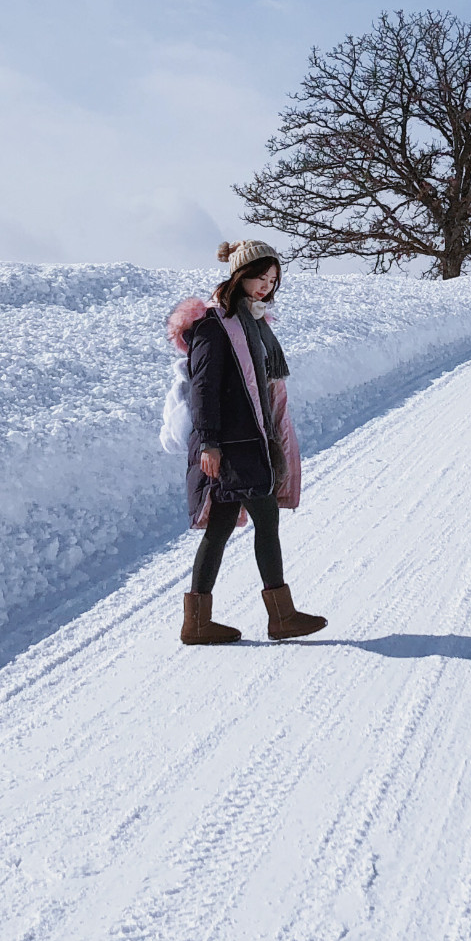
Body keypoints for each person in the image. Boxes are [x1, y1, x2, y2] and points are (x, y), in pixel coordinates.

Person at [167, 240, 327, 644]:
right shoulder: (215, 325)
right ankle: (282, 616)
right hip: (231, 443)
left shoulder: (254, 324)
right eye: (259, 277)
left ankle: (198, 623)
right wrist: (209, 442)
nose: (265, 287)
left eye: (272, 280)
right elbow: (203, 388)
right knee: (265, 519)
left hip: (249, 440)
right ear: (240, 275)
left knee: (220, 528)